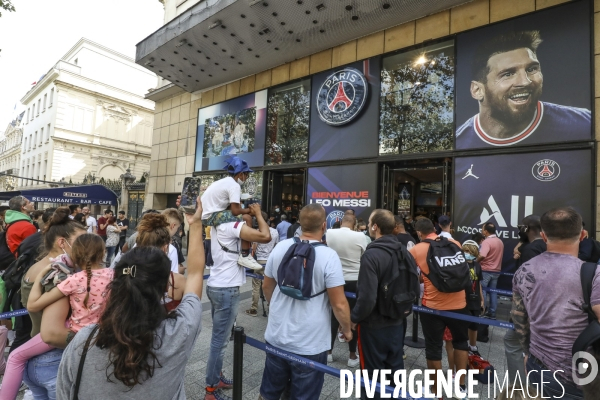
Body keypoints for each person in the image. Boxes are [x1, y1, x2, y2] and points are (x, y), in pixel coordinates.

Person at [56, 198, 207, 399]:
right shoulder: (179, 334)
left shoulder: (86, 339)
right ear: (165, 285)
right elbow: (196, 274)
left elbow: (64, 393)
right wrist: (195, 223)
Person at [0, 235, 110, 400]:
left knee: (16, 356)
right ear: (103, 253)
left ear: (75, 254)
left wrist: (42, 275)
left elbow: (32, 305)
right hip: (103, 335)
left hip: (74, 334)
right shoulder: (116, 276)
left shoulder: (72, 280)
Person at [259, 204, 352, 400]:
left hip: (276, 336)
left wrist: (276, 307)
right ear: (324, 225)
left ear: (299, 223)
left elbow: (267, 287)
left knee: (269, 393)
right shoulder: (329, 256)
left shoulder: (281, 247)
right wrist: (347, 329)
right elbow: (339, 304)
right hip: (310, 343)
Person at [512, 207, 600, 399]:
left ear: (543, 236)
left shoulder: (523, 271)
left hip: (537, 365)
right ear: (583, 235)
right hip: (580, 377)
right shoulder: (594, 274)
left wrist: (528, 354)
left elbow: (519, 318)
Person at [456, 30, 590, 149]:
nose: (525, 81)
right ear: (477, 90)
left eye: (532, 69)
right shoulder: (459, 143)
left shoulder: (585, 124)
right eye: (508, 74)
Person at [4, 208, 86, 400]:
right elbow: (53, 333)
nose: (86, 247)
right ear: (62, 243)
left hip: (37, 361)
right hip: (53, 361)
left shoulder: (39, 267)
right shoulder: (59, 276)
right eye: (81, 242)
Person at [205, 202, 271, 400]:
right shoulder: (233, 226)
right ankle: (211, 390)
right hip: (226, 289)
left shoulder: (217, 225)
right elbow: (265, 236)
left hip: (215, 285)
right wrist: (258, 214)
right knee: (220, 341)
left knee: (219, 339)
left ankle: (216, 377)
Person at [351, 210, 414, 399]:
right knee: (395, 372)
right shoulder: (404, 250)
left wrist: (354, 318)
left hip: (373, 325)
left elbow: (367, 297)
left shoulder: (372, 255)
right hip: (397, 320)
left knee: (371, 377)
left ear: (375, 226)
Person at [410, 218, 470, 397]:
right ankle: (461, 387)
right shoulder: (454, 243)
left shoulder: (417, 249)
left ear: (419, 233)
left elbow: (411, 275)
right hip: (460, 304)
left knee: (433, 347)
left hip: (432, 308)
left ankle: (436, 392)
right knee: (461, 343)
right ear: (435, 229)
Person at [504, 214, 546, 388]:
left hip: (529, 310)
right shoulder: (542, 246)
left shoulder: (530, 250)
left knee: (512, 342)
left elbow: (528, 284)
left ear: (527, 229)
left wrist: (520, 314)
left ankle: (519, 388)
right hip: (543, 308)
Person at [201, 156, 263, 271]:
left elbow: (231, 208)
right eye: (246, 175)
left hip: (208, 214)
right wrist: (251, 210)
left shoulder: (223, 182)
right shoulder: (234, 185)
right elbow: (235, 211)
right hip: (211, 216)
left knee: (244, 216)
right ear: (240, 174)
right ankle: (245, 255)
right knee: (247, 218)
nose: (246, 178)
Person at [325, 214, 366, 366]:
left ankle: (328, 352)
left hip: (333, 278)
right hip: (353, 280)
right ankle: (352, 355)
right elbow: (364, 257)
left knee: (333, 316)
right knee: (352, 317)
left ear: (341, 222)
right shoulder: (360, 236)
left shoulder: (329, 233)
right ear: (354, 224)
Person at [443, 240, 485, 375]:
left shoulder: (477, 266)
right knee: (456, 336)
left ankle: (472, 349)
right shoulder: (458, 265)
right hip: (459, 303)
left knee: (473, 326)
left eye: (471, 252)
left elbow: (478, 282)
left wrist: (482, 298)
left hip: (473, 301)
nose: (468, 254)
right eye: (465, 251)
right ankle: (455, 368)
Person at [245, 212, 278, 317]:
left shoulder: (257, 232)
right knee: (269, 286)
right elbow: (276, 247)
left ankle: (254, 309)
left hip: (259, 261)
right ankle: (270, 308)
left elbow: (254, 249)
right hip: (270, 262)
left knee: (256, 286)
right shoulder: (275, 232)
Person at [477, 222, 504, 320]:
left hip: (485, 270)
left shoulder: (486, 242)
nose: (481, 230)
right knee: (493, 292)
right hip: (497, 271)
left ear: (486, 231)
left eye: (482, 229)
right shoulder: (499, 241)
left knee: (482, 291)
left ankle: (482, 311)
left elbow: (482, 255)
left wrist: (475, 262)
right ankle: (492, 313)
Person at [162, 208, 185, 274]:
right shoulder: (171, 249)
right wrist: (178, 271)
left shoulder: (142, 241)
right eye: (177, 228)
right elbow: (173, 278)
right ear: (173, 225)